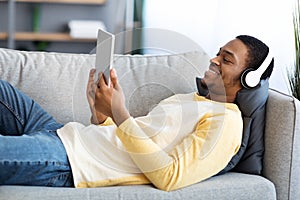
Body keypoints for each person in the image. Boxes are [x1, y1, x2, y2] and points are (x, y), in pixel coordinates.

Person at [0, 35, 274, 191]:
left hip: (68, 161)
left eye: (226, 60)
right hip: (63, 133)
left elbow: (169, 176)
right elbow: (123, 144)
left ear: (248, 79)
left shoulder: (226, 123)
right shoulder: (190, 99)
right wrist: (101, 114)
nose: (214, 60)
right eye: (217, 53)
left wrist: (121, 114)